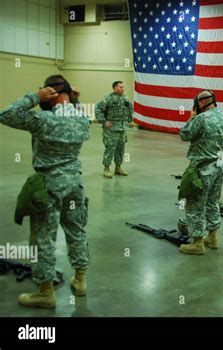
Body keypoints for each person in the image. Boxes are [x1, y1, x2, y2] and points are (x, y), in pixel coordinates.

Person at [0, 75, 91, 308]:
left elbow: (6, 115)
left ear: (49, 94)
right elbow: (82, 119)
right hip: (75, 184)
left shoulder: (43, 120)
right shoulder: (81, 119)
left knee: (43, 238)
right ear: (69, 95)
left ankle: (45, 292)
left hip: (49, 186)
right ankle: (80, 280)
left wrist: (34, 96)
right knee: (76, 230)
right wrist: (75, 102)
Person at [178, 91, 223, 255]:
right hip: (218, 165)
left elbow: (184, 134)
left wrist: (191, 117)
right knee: (212, 202)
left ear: (201, 104)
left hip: (202, 168)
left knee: (195, 204)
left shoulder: (201, 118)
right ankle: (213, 237)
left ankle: (197, 243)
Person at [95, 81, 133, 178]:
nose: (123, 89)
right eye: (120, 87)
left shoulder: (125, 98)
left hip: (122, 128)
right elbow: (98, 108)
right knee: (110, 148)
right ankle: (106, 168)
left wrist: (129, 119)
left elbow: (130, 108)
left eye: (123, 87)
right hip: (111, 129)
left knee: (120, 149)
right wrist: (104, 121)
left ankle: (118, 167)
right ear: (115, 88)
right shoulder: (108, 98)